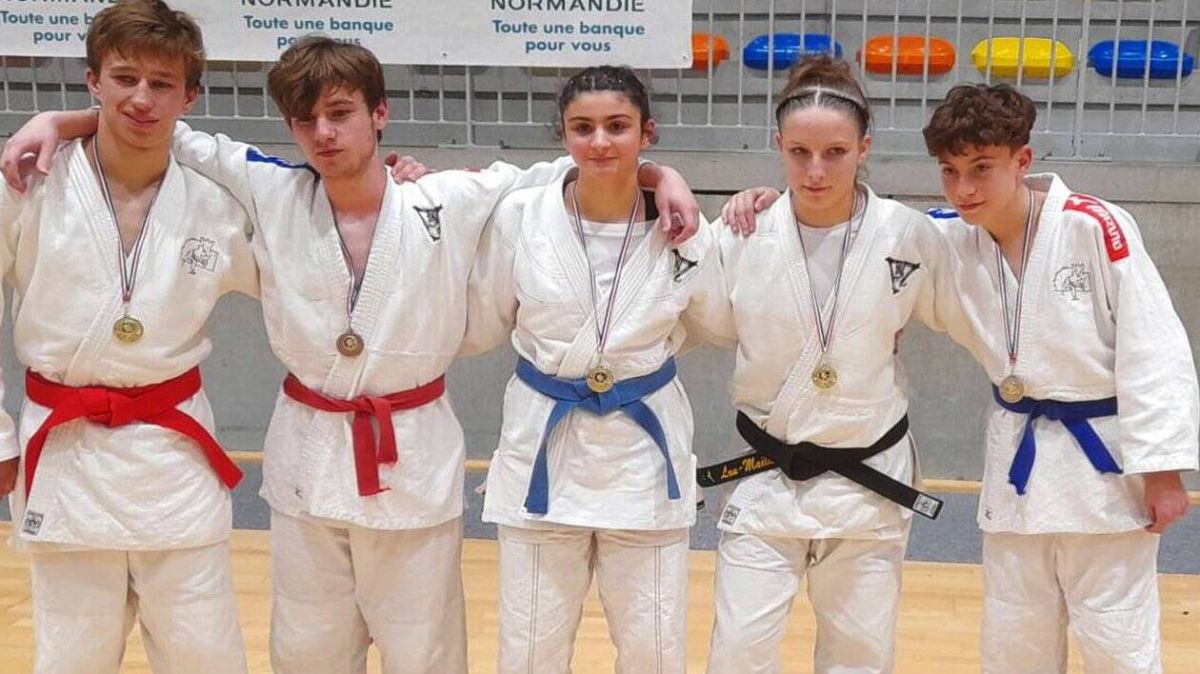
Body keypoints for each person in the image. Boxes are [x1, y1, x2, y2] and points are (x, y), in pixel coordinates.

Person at [3, 36, 703, 674]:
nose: (325, 133)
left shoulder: (448, 199)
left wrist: (659, 174)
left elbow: (583, 162)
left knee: (425, 652)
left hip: (411, 455)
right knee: (306, 652)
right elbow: (155, 125)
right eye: (306, 121)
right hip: (309, 457)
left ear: (381, 113)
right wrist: (57, 122)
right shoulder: (270, 188)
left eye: (341, 113)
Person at [0, 1, 255, 672]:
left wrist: (394, 185)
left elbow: (311, 276)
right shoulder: (27, 184)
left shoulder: (219, 202)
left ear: (190, 94)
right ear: (92, 80)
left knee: (208, 659)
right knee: (70, 660)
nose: (141, 98)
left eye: (162, 83)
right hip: (66, 455)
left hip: (172, 461)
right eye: (123, 77)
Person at [460, 65, 735, 674]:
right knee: (529, 649)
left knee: (654, 650)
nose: (601, 142)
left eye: (618, 126)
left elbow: (714, 322)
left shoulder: (684, 229)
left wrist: (636, 356)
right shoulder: (522, 217)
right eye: (583, 128)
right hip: (543, 448)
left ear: (647, 133)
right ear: (563, 135)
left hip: (642, 456)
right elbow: (486, 319)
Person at [921, 83, 1196, 674]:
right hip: (1018, 472)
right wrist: (765, 199)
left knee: (1118, 642)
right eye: (949, 171)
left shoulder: (1095, 226)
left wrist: (1164, 470)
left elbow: (1155, 349)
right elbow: (856, 229)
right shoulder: (945, 236)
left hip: (1105, 472)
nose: (964, 188)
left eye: (981, 168)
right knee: (1013, 642)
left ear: (1023, 160)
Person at [700, 55, 961, 674]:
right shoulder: (739, 232)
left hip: (867, 477)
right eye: (799, 153)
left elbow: (984, 258)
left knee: (860, 658)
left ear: (864, 147)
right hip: (769, 475)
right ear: (778, 146)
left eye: (836, 153)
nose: (815, 171)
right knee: (737, 654)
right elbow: (704, 324)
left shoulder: (909, 234)